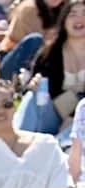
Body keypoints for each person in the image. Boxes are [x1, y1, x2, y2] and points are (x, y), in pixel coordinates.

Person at [15, 0, 85, 139]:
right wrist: (34, 83)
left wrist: (73, 117)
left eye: (84, 14)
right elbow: (40, 84)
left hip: (80, 119)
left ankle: (60, 144)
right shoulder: (51, 51)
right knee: (33, 95)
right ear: (64, 21)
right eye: (73, 14)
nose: (79, 19)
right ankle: (19, 141)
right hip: (55, 113)